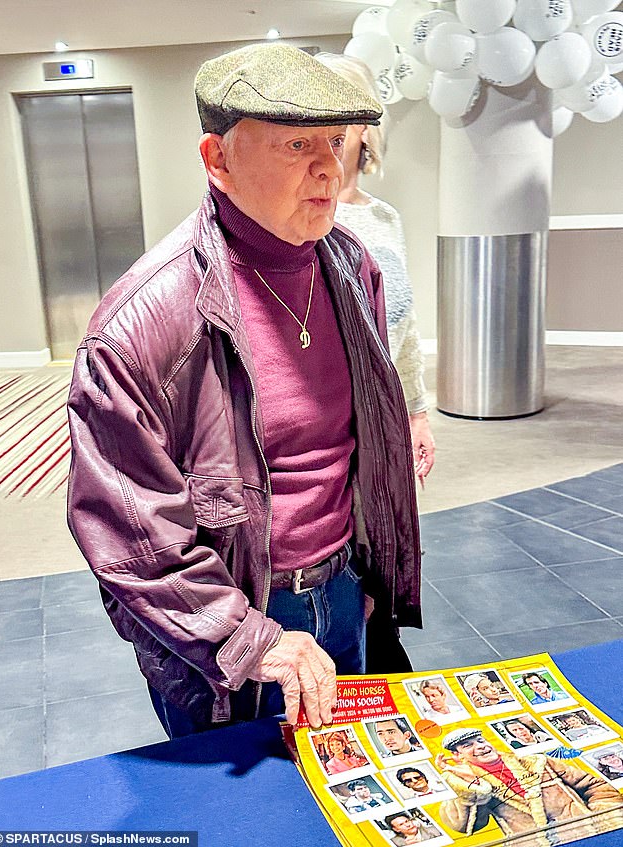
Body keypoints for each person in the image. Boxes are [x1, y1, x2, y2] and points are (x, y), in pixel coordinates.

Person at [66, 43, 422, 737]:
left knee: (352, 797)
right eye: (297, 144)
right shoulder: (141, 323)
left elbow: (362, 447)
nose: (330, 165)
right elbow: (130, 535)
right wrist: (253, 639)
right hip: (229, 627)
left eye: (338, 140)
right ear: (217, 160)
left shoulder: (353, 268)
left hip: (345, 591)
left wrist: (365, 577)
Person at [316, 50, 432, 676]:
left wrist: (416, 412)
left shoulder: (384, 218)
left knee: (384, 561)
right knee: (344, 569)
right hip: (332, 426)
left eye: (340, 123)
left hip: (385, 424)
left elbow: (404, 329)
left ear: (366, 128)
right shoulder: (299, 219)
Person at [435, 728, 623, 842]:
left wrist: (606, 817)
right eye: (468, 746)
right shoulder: (465, 783)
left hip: (592, 834)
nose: (481, 746)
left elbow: (594, 786)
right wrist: (469, 786)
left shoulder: (537, 762)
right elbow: (463, 825)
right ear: (458, 756)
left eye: (481, 741)